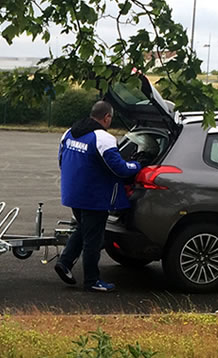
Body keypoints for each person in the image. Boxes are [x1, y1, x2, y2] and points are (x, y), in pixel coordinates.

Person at [54, 101, 141, 292]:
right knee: (93, 239)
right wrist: (137, 165)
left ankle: (65, 262)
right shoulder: (103, 138)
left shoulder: (69, 132)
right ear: (107, 117)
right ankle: (92, 281)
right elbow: (119, 168)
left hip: (72, 193)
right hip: (94, 197)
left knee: (84, 229)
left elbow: (61, 159)